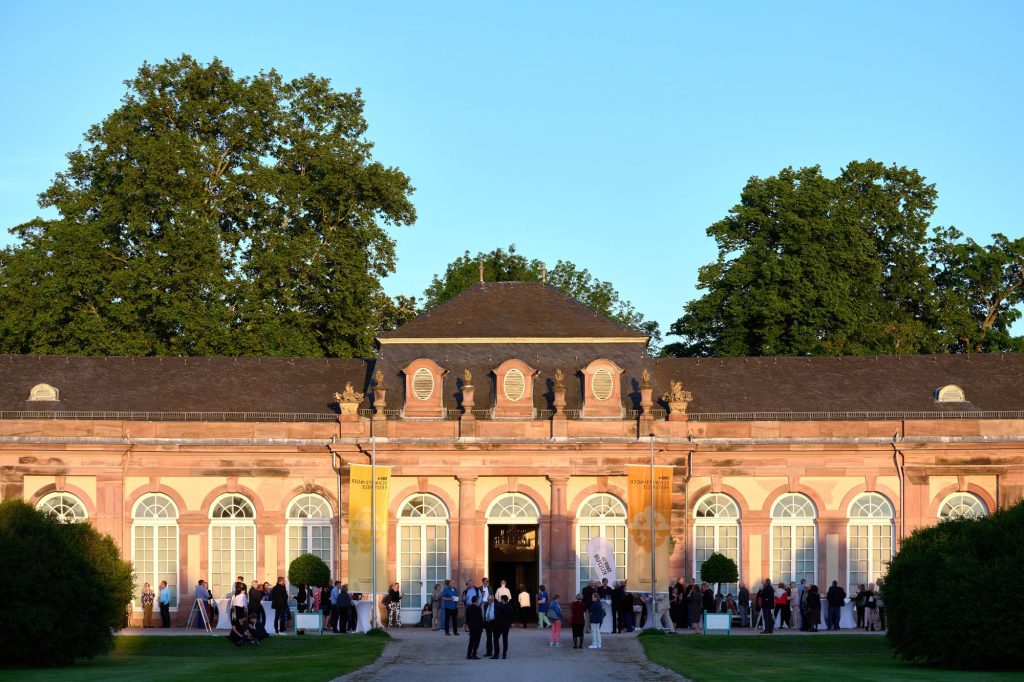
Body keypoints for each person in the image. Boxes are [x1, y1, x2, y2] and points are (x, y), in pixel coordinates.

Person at [492, 595, 513, 659]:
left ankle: (496, 654)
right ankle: (504, 655)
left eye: (501, 599)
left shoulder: (499, 607)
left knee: (496, 639)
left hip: (498, 626)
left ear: (503, 600)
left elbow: (497, 616)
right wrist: (509, 624)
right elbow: (511, 618)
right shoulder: (510, 608)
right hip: (506, 626)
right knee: (505, 640)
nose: (500, 600)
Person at [483, 592, 496, 656]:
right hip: (487, 622)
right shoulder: (486, 605)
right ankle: (489, 652)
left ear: (493, 600)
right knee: (488, 638)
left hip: (494, 622)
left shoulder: (496, 605)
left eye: (490, 599)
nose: (489, 601)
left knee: (495, 638)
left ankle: (496, 652)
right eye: (488, 599)